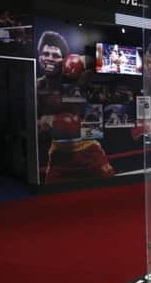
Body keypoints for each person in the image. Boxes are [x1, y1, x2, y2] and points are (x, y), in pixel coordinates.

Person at [36, 31, 114, 183]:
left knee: (111, 193)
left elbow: (111, 59)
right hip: (59, 154)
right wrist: (45, 122)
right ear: (39, 56)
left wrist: (84, 60)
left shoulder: (77, 75)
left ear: (64, 58)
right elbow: (33, 123)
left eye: (56, 55)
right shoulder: (37, 86)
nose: (50, 59)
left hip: (88, 150)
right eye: (46, 54)